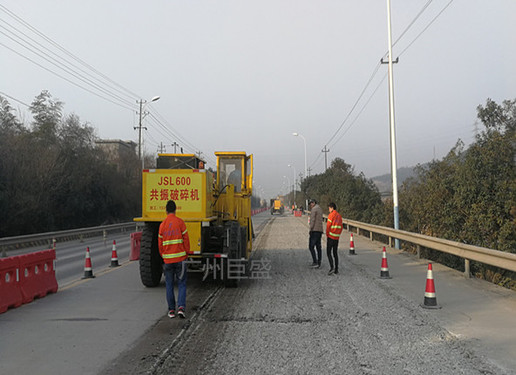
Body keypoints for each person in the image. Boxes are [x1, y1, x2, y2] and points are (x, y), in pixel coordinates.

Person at [158, 200, 191, 319]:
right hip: (180, 259)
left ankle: (171, 310)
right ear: (175, 210)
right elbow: (186, 240)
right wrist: (186, 253)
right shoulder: (180, 223)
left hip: (168, 261)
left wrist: (164, 256)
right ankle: (181, 308)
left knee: (169, 285)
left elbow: (160, 244)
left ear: (166, 210)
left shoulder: (162, 225)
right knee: (182, 283)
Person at [326, 202, 343, 275]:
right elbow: (341, 227)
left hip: (331, 237)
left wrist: (327, 235)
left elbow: (328, 226)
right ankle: (336, 269)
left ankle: (331, 267)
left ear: (332, 208)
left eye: (329, 208)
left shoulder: (331, 215)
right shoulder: (339, 216)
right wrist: (338, 234)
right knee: (335, 253)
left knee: (328, 252)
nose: (329, 209)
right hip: (336, 237)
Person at [308, 199, 323, 268]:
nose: (310, 205)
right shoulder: (320, 209)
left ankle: (315, 261)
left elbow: (312, 220)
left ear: (313, 203)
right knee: (318, 247)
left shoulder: (314, 210)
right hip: (320, 230)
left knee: (311, 246)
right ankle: (319, 261)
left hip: (314, 230)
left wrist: (310, 229)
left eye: (311, 203)